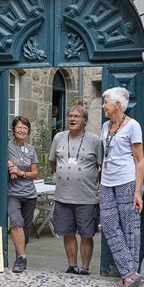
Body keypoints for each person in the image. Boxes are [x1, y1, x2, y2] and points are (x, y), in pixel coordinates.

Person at [99, 87, 144, 287]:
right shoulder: (104, 126)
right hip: (107, 182)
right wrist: (101, 183)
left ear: (117, 104)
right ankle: (131, 274)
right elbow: (104, 156)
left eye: (105, 101)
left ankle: (128, 279)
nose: (103, 105)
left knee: (130, 228)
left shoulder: (133, 126)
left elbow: (140, 161)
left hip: (127, 181)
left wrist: (137, 191)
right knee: (108, 225)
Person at [49, 105, 102, 275]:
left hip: (86, 197)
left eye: (77, 116)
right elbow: (52, 162)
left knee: (87, 234)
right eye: (70, 116)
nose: (72, 119)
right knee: (68, 233)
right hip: (63, 196)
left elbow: (102, 166)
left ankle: (85, 268)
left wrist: (98, 189)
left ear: (85, 121)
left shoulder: (95, 141)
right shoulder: (58, 137)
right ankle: (72, 266)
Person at [7, 116, 39, 273]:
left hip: (30, 195)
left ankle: (20, 256)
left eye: (25, 128)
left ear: (28, 131)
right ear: (13, 130)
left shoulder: (31, 149)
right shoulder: (7, 147)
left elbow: (35, 173)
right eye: (18, 127)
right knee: (16, 222)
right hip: (13, 193)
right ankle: (21, 258)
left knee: (25, 230)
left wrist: (20, 172)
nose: (21, 130)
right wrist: (8, 164)